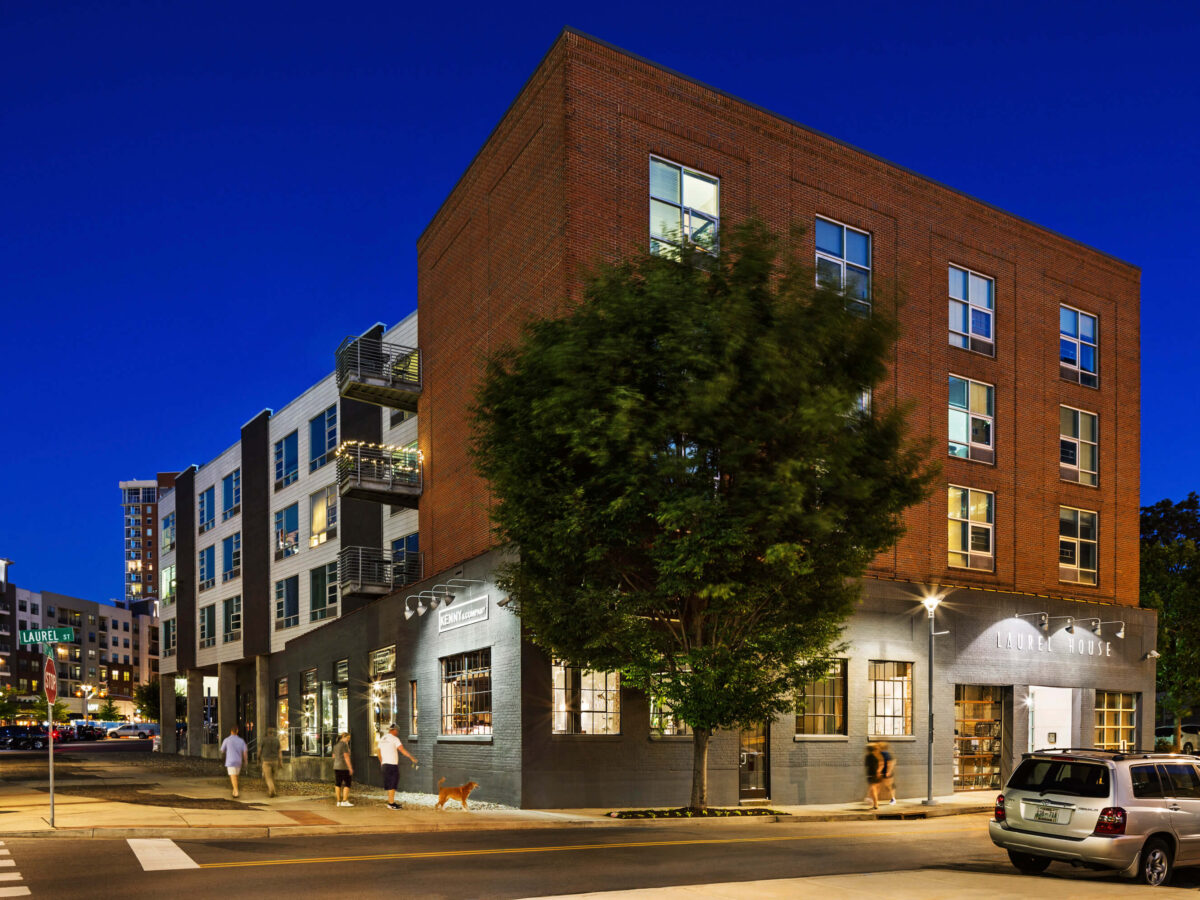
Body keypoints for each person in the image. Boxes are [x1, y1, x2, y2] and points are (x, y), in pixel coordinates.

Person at [377, 723, 417, 809]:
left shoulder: (382, 738)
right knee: (392, 784)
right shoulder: (395, 739)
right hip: (392, 765)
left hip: (384, 765)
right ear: (394, 730)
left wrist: (382, 762)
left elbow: (379, 753)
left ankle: (391, 802)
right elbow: (402, 750)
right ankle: (391, 804)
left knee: (390, 784)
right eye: (397, 731)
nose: (398, 732)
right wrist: (412, 758)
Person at [219, 725, 248, 798]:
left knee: (233, 776)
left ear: (231, 731)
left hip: (230, 760)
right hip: (238, 761)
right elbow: (245, 752)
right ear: (237, 731)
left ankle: (236, 791)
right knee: (235, 776)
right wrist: (245, 761)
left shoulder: (227, 740)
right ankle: (234, 791)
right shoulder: (241, 740)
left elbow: (222, 750)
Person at [259, 726, 282, 799]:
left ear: (267, 733)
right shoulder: (277, 740)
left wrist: (258, 758)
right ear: (273, 733)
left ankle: (271, 790)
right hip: (275, 760)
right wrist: (280, 761)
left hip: (266, 761)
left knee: (268, 777)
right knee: (273, 777)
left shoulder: (263, 740)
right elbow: (279, 751)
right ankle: (273, 791)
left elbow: (259, 750)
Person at [332, 731, 354, 806]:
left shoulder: (336, 745)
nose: (348, 740)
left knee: (338, 783)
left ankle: (338, 801)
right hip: (344, 767)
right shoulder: (344, 745)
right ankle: (344, 800)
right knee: (347, 783)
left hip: (336, 766)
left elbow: (333, 756)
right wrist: (350, 767)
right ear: (343, 737)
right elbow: (346, 756)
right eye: (348, 738)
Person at [863, 742, 883, 809]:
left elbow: (866, 765)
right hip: (878, 775)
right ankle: (875, 802)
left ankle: (875, 803)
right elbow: (881, 764)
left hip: (871, 775)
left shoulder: (868, 757)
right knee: (875, 790)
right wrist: (879, 771)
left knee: (873, 790)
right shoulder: (878, 756)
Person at [877, 740, 896, 805]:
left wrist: (888, 771)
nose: (877, 747)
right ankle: (874, 799)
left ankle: (893, 799)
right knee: (878, 785)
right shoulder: (881, 753)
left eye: (879, 746)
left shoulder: (885, 753)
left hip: (886, 772)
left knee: (889, 786)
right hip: (883, 772)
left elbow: (889, 762)